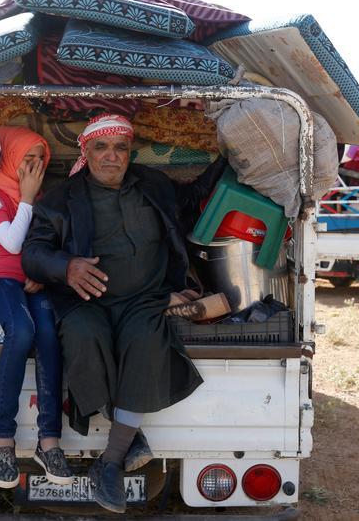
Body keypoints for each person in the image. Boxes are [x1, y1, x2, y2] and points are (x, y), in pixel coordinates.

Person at [22, 114, 226, 513]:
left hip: (146, 299)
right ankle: (129, 435)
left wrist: (230, 157)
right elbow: (32, 253)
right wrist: (66, 267)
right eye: (101, 147)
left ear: (130, 152)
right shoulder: (60, 199)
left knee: (148, 340)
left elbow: (194, 196)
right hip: (86, 301)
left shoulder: (152, 184)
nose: (111, 156)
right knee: (82, 337)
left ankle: (110, 463)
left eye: (120, 148)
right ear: (87, 151)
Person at [0, 126, 73, 488]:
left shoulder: (42, 198)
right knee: (22, 332)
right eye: (26, 159)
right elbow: (12, 245)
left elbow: (47, 246)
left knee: (49, 333)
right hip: (1, 278)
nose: (33, 166)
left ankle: (49, 442)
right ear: (10, 157)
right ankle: (3, 439)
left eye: (40, 160)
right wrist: (28, 199)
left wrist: (44, 274)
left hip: (34, 279)